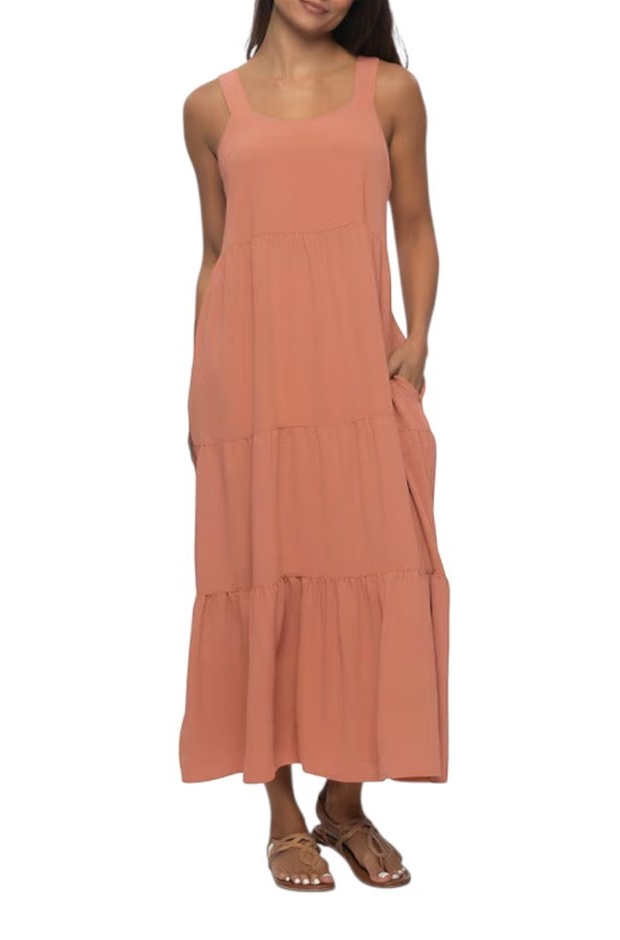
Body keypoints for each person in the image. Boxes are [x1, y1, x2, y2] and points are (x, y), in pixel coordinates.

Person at [179, 0, 450, 892]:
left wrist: (418, 340)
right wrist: (201, 384)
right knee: (266, 572)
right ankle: (284, 814)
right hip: (250, 382)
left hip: (355, 373)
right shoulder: (210, 108)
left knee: (377, 566)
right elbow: (216, 254)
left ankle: (345, 801)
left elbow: (415, 221)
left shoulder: (390, 93)